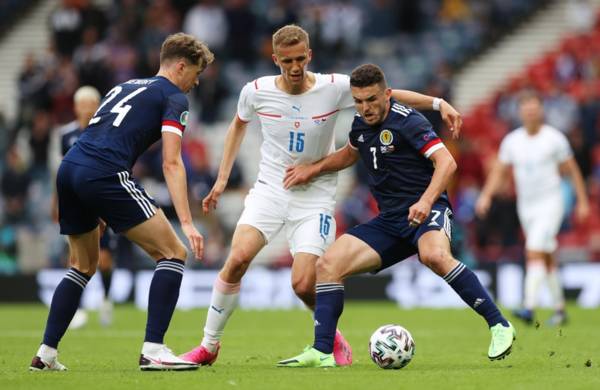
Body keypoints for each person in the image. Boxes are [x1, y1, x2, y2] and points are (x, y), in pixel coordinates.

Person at [179, 25, 463, 367]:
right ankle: (208, 346)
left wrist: (438, 102)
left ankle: (331, 338)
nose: (295, 67)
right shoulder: (255, 91)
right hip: (270, 188)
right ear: (275, 59)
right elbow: (238, 124)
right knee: (237, 259)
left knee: (302, 284)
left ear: (309, 55)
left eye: (300, 58)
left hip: (314, 195)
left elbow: (389, 94)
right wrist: (222, 178)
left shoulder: (333, 87)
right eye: (287, 61)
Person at [277, 63, 515, 368]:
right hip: (390, 221)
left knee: (434, 256)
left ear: (387, 95)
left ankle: (499, 325)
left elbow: (447, 164)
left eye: (372, 100)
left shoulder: (408, 122)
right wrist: (313, 168)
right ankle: (323, 350)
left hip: (427, 211)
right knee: (327, 266)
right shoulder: (360, 125)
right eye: (359, 101)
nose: (366, 108)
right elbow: (350, 153)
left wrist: (426, 202)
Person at [29, 32, 213, 372]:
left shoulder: (125, 85)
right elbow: (171, 162)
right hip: (103, 172)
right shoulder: (174, 97)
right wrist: (186, 222)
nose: (197, 81)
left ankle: (46, 353)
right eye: (196, 73)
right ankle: (154, 351)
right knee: (173, 253)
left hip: (70, 169)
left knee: (82, 266)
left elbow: (97, 133)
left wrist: (92, 199)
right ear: (181, 66)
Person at [476, 92, 589, 326]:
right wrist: (486, 195)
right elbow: (499, 171)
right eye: (527, 110)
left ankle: (529, 305)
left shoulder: (554, 138)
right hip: (526, 205)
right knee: (545, 256)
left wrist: (582, 201)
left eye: (534, 109)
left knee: (534, 249)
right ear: (520, 113)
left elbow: (573, 170)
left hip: (551, 202)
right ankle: (559, 309)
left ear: (541, 111)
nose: (531, 113)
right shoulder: (512, 141)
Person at [51, 86, 116, 329]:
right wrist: (55, 201)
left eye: (93, 103)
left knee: (105, 260)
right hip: (75, 201)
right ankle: (76, 309)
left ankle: (106, 299)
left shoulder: (105, 131)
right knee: (77, 257)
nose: (88, 108)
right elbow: (61, 170)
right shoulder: (66, 135)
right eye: (84, 104)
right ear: (77, 107)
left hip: (99, 198)